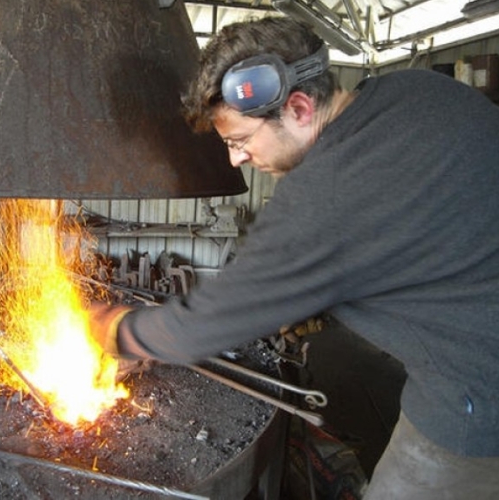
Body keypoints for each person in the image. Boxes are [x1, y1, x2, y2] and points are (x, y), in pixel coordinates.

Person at [90, 16, 499, 499]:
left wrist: (108, 326)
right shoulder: (418, 89)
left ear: (300, 108)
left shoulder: (325, 198)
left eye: (239, 141)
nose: (235, 160)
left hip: (477, 395)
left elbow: (202, 327)